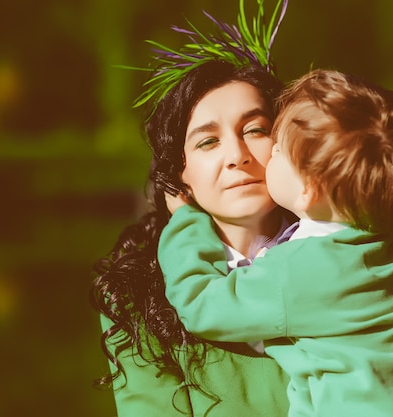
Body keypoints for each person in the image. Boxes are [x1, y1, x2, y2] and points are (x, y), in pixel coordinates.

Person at [158, 69, 393, 416]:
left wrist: (187, 222)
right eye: (208, 141)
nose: (242, 155)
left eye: (272, 144)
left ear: (308, 187)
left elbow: (201, 304)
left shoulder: (296, 272)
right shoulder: (391, 248)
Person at [91, 1, 295, 416]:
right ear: (180, 174)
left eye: (254, 129)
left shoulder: (345, 254)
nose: (236, 154)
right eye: (208, 141)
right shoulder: (137, 295)